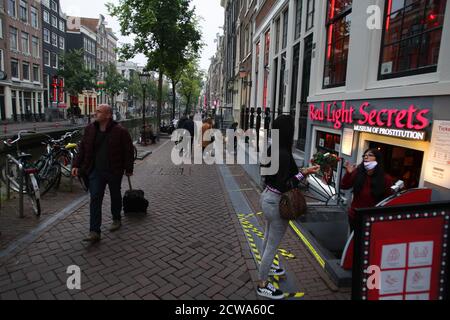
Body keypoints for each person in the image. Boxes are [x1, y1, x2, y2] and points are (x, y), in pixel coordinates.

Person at [257, 115, 320, 299]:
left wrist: (303, 171)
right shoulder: (283, 154)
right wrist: (303, 174)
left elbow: (268, 175)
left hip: (266, 197)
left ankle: (268, 266)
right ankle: (262, 283)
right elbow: (285, 184)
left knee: (268, 236)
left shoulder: (272, 148)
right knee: (272, 245)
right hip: (277, 202)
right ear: (287, 131)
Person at [72, 104, 134, 243]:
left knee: (115, 195)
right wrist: (76, 164)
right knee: (95, 199)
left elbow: (128, 151)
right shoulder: (89, 129)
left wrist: (128, 169)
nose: (95, 113)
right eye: (96, 111)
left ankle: (116, 218)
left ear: (108, 115)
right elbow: (82, 148)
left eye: (99, 112)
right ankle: (94, 231)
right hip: (95, 171)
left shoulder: (120, 131)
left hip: (114, 170)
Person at [341, 148, 395, 232]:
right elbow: (344, 186)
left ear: (377, 159)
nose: (366, 157)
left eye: (370, 155)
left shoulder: (386, 179)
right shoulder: (357, 173)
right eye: (365, 155)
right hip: (355, 216)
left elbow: (388, 199)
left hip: (373, 219)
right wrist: (348, 173)